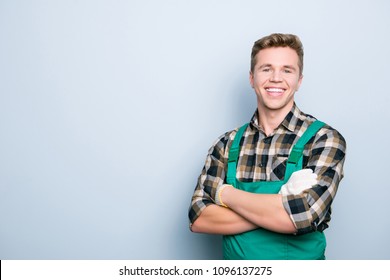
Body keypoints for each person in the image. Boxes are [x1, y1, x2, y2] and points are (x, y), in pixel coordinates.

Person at [188, 33, 346, 260]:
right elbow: (199, 218)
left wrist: (226, 194)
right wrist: (278, 209)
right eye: (266, 69)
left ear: (299, 81)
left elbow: (303, 216)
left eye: (287, 70)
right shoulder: (226, 144)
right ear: (252, 78)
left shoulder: (324, 139)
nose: (276, 78)